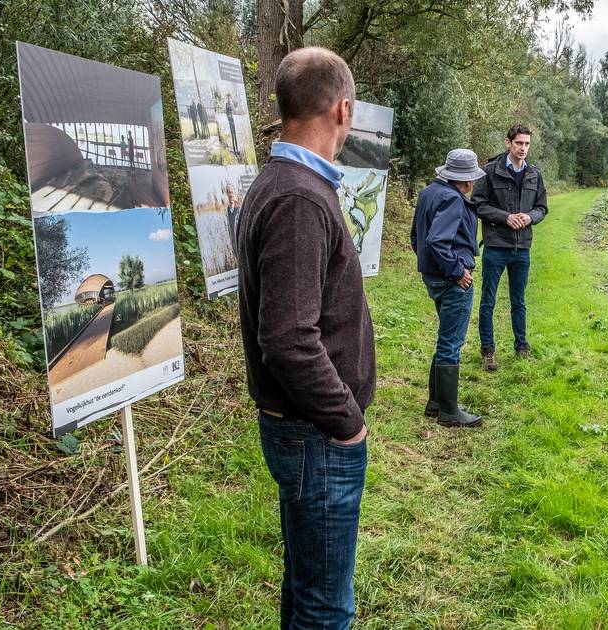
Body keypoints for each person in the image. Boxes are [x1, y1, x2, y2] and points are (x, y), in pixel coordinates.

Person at [235, 47, 373, 629]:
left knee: (306, 588)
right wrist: (346, 422)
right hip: (316, 436)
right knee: (324, 607)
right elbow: (289, 338)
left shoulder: (287, 183)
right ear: (343, 109)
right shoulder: (297, 197)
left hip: (305, 432)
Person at [411, 148, 487, 428]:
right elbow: (436, 241)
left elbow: (417, 238)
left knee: (446, 336)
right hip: (451, 280)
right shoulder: (454, 200)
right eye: (472, 179)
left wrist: (430, 267)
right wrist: (457, 272)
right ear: (467, 180)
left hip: (432, 276)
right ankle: (449, 411)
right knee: (451, 342)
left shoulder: (429, 193)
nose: (473, 183)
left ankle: (435, 403)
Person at [473, 124, 548, 371]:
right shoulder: (489, 171)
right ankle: (488, 351)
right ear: (508, 143)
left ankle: (521, 346)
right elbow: (478, 205)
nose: (523, 148)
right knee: (488, 301)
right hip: (496, 245)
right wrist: (505, 217)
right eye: (519, 143)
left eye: (527, 144)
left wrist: (530, 217)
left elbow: (542, 207)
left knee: (519, 300)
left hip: (522, 247)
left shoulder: (535, 175)